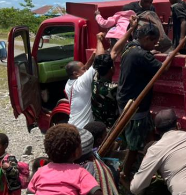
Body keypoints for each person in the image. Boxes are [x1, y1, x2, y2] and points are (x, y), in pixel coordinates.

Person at [116, 20, 162, 181]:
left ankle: (154, 163)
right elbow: (163, 68)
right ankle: (124, 174)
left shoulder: (130, 48)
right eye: (154, 42)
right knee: (134, 145)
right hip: (134, 104)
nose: (154, 45)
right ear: (147, 38)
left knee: (149, 132)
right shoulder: (141, 54)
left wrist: (150, 52)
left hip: (126, 100)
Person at [64, 32, 107, 129]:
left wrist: (91, 58)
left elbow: (84, 69)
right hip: (83, 129)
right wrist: (99, 40)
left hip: (73, 125)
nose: (86, 70)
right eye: (83, 69)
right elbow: (100, 60)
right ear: (76, 74)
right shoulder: (82, 82)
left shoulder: (69, 83)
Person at [91, 54, 119, 129]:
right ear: (112, 68)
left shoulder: (94, 80)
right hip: (111, 128)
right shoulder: (112, 88)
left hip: (98, 124)